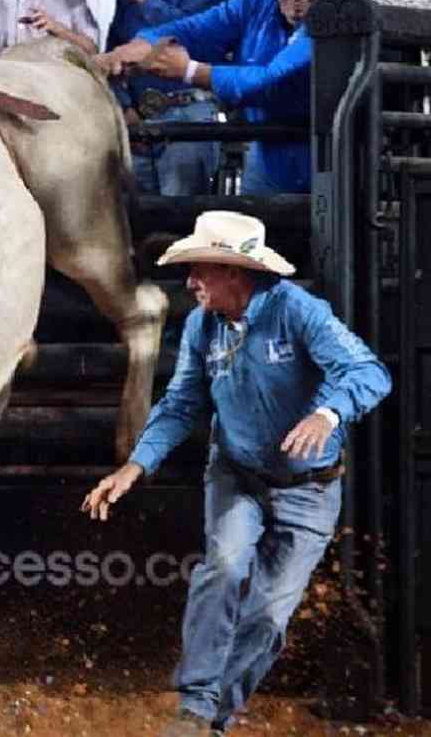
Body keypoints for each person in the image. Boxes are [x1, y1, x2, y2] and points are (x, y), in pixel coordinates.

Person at [81, 210, 391, 736]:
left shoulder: (299, 312)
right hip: (237, 472)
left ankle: (213, 720)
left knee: (269, 615)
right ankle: (196, 708)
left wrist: (326, 412)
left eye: (201, 268)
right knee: (223, 566)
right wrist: (137, 464)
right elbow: (181, 403)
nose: (191, 281)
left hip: (309, 490)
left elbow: (367, 371)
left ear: (236, 272)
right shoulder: (203, 325)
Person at [96, 0, 357, 195]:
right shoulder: (258, 2)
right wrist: (141, 45)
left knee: (322, 233)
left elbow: (272, 79)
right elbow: (196, 29)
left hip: (326, 159)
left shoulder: (340, 13)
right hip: (267, 155)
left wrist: (190, 72)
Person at [105, 0, 228, 196]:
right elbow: (115, 51)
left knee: (181, 218)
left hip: (189, 111)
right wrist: (126, 109)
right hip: (140, 118)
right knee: (138, 219)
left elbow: (198, 38)